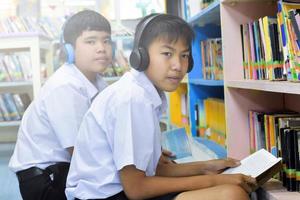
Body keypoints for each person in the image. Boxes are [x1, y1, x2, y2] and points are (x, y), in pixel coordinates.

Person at [65, 13, 257, 200]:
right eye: (167, 53)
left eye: (184, 55)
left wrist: (206, 167)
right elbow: (136, 188)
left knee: (226, 189)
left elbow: (156, 169)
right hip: (108, 196)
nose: (178, 65)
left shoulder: (145, 92)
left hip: (122, 191)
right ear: (141, 56)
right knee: (230, 194)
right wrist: (213, 181)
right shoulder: (133, 98)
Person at [9, 10, 113, 200]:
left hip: (67, 168)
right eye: (91, 41)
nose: (101, 48)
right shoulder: (65, 86)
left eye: (106, 40)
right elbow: (81, 151)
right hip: (45, 180)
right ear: (69, 50)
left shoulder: (98, 81)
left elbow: (107, 130)